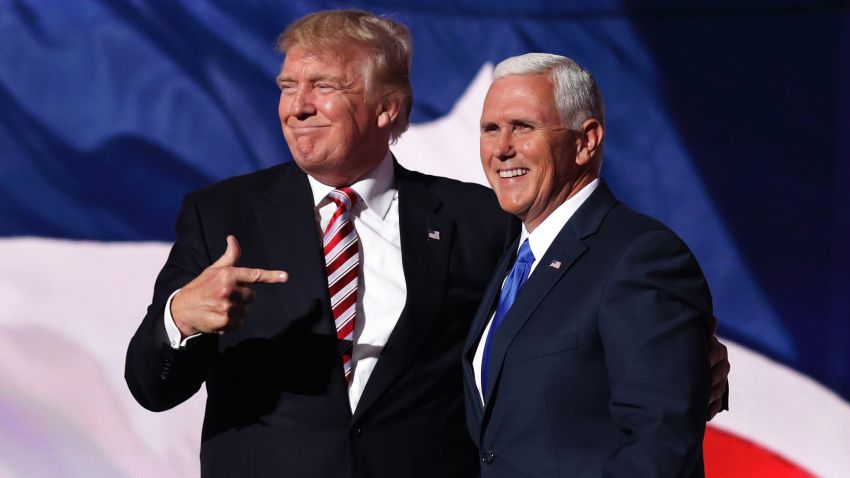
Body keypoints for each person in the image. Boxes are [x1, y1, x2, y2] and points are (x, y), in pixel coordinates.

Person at [125, 10, 728, 478]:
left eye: (323, 86)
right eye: (288, 86)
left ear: (389, 107)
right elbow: (151, 387)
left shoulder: (483, 218)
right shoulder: (222, 215)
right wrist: (180, 320)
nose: (297, 106)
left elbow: (584, 319)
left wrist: (689, 362)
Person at [462, 53, 715, 477]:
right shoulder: (512, 260)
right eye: (491, 129)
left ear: (586, 140)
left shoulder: (641, 255)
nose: (502, 148)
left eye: (523, 127)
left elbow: (660, 441)